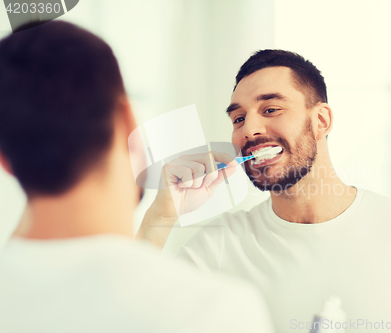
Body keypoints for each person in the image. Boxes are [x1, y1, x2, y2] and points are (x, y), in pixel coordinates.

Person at [0, 21, 273, 333]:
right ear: (128, 118)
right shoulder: (214, 311)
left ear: (4, 160)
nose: (250, 129)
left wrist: (161, 215)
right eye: (238, 118)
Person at [138, 49, 391, 333]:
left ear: (321, 121)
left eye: (271, 110)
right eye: (238, 118)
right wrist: (160, 217)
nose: (248, 129)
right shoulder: (221, 246)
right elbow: (127, 316)